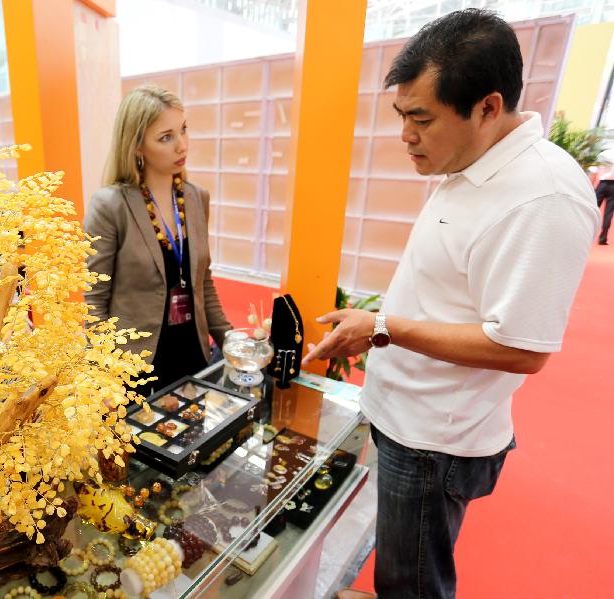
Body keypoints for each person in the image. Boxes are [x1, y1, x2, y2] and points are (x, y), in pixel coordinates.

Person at [301, 10, 600, 599]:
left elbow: (521, 348)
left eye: (421, 119)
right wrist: (379, 329)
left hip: (435, 437)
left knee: (413, 581)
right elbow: (446, 286)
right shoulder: (469, 160)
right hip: (404, 410)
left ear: (488, 108)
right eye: (401, 116)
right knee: (397, 564)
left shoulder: (543, 198)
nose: (405, 136)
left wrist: (383, 326)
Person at [85, 85, 231, 395]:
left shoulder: (195, 198)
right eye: (166, 137)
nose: (182, 145)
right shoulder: (111, 205)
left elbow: (203, 282)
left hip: (193, 356)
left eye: (183, 130)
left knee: (195, 441)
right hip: (133, 369)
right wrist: (105, 374)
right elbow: (95, 301)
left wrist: (232, 341)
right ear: (137, 146)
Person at [594, 152, 614, 245]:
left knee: (593, 210)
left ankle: (588, 235)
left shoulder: (602, 154)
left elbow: (594, 170)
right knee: (608, 213)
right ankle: (603, 238)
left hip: (602, 184)